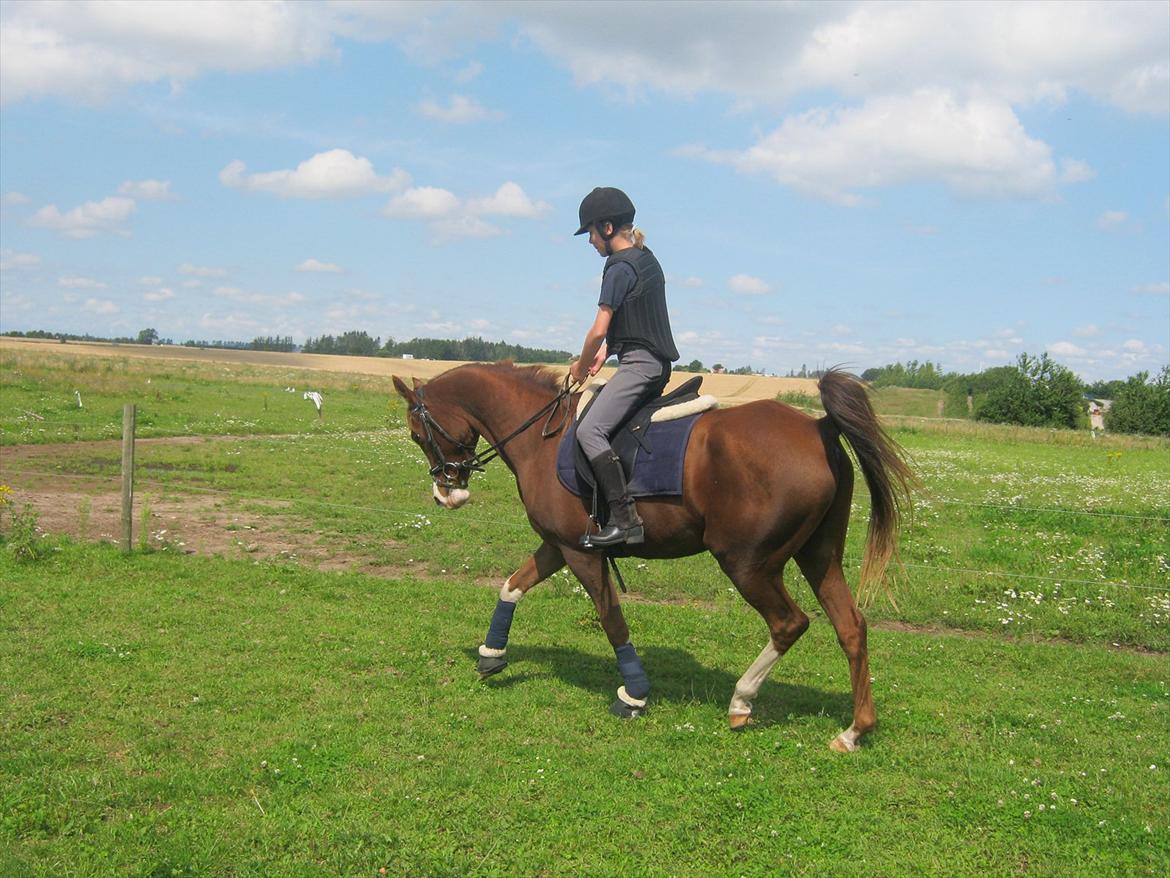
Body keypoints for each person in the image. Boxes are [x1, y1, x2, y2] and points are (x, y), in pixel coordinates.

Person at [568, 187, 679, 548]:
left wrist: (581, 364)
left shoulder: (618, 267)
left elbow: (598, 328)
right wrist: (608, 354)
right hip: (643, 361)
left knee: (589, 432)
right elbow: (636, 319)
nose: (590, 242)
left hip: (640, 366)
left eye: (591, 233)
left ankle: (625, 520)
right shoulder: (644, 257)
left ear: (608, 227)